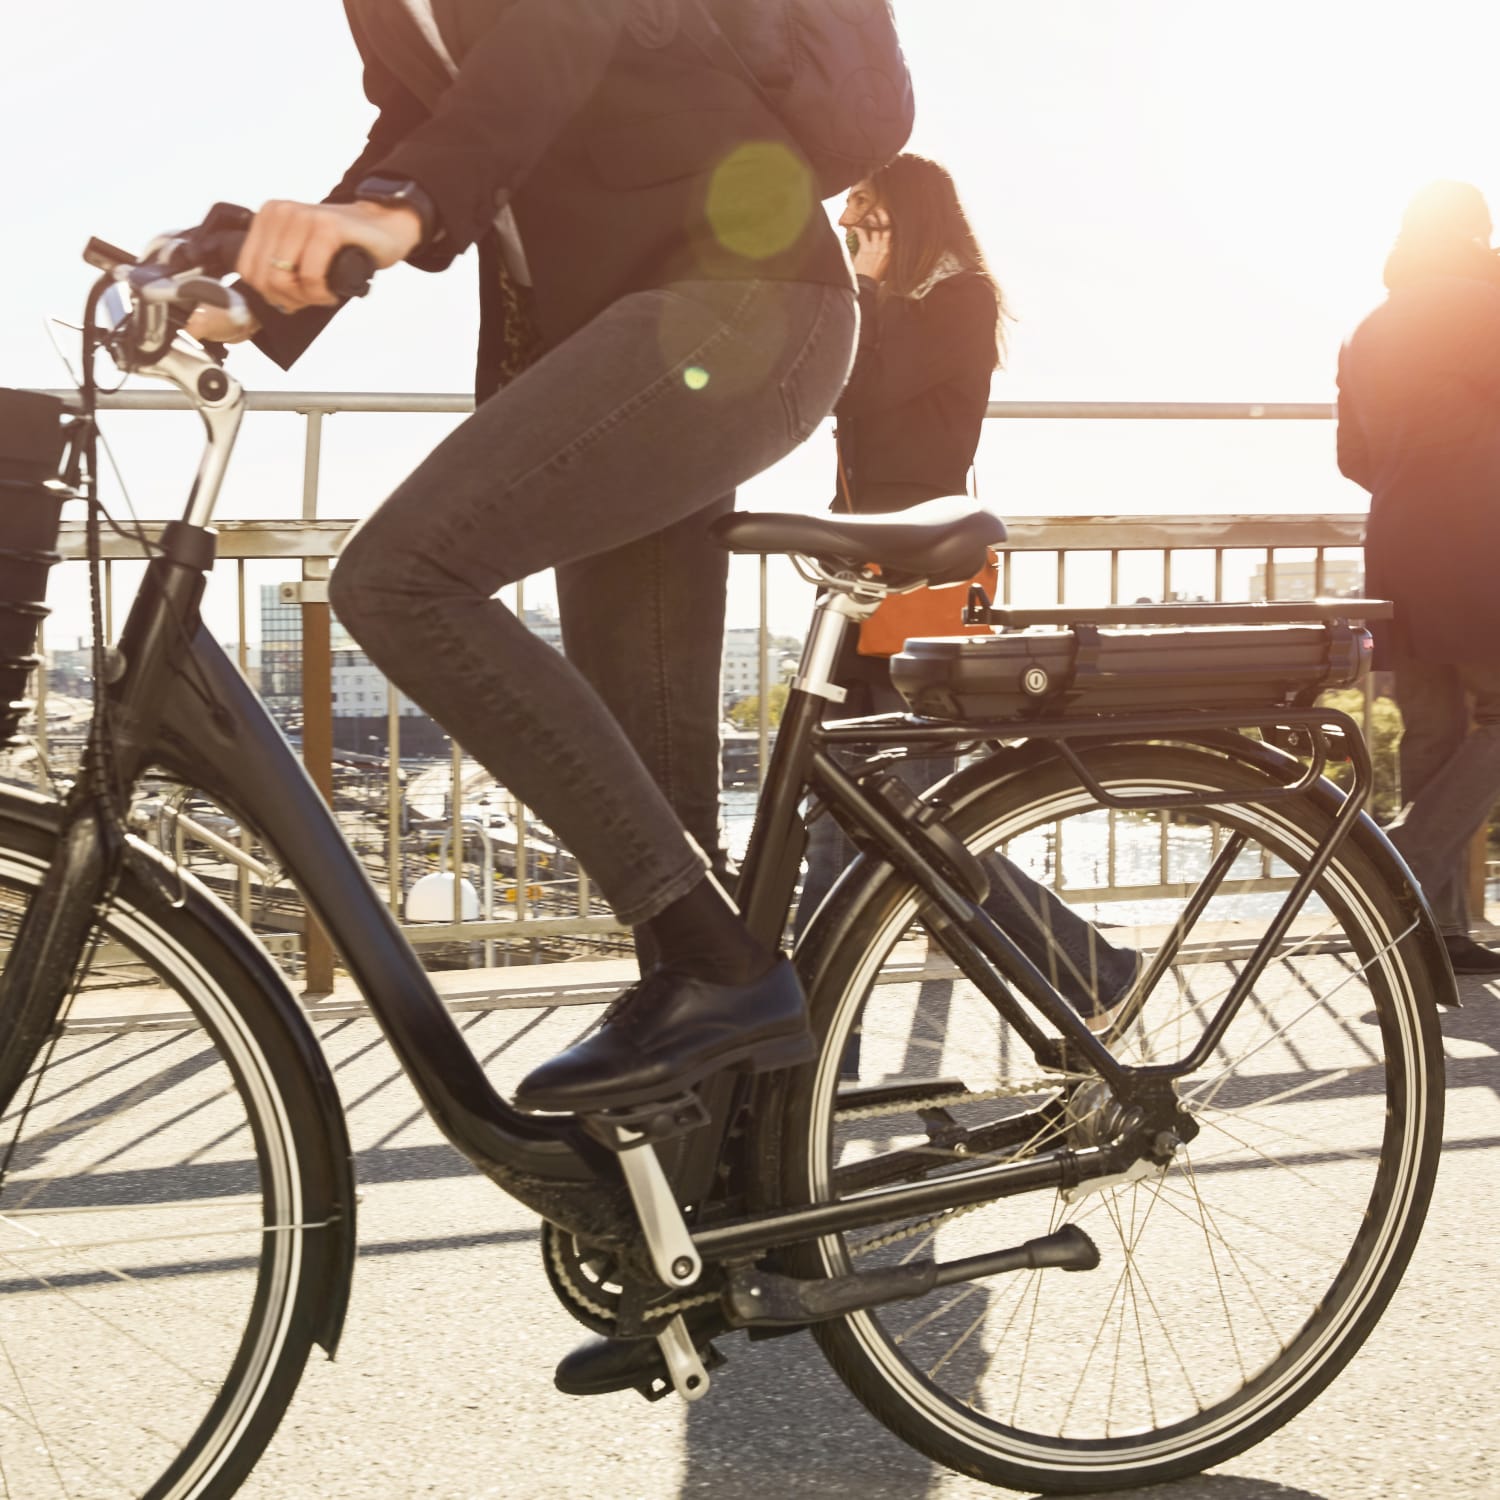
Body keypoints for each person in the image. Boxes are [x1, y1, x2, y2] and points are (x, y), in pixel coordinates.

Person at [189, 2, 860, 1105]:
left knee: (400, 574)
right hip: (623, 339)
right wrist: (260, 285)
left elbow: (555, 40)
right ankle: (731, 1201)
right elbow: (426, 127)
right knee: (667, 814)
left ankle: (733, 975)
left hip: (746, 303)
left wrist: (401, 208)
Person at [794, 153, 1141, 1037]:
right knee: (837, 796)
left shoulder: (960, 300)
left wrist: (865, 288)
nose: (849, 227)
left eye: (863, 211)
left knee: (921, 817)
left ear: (904, 214)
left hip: (920, 590)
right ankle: (802, 1020)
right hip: (863, 580)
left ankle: (1092, 969)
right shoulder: (894, 305)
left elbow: (869, 382)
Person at [1337, 179, 1500, 976]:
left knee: (1435, 736)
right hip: (1484, 545)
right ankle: (1393, 863)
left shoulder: (1370, 329)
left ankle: (1432, 936)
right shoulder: (1486, 305)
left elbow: (1353, 458)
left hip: (1399, 548)